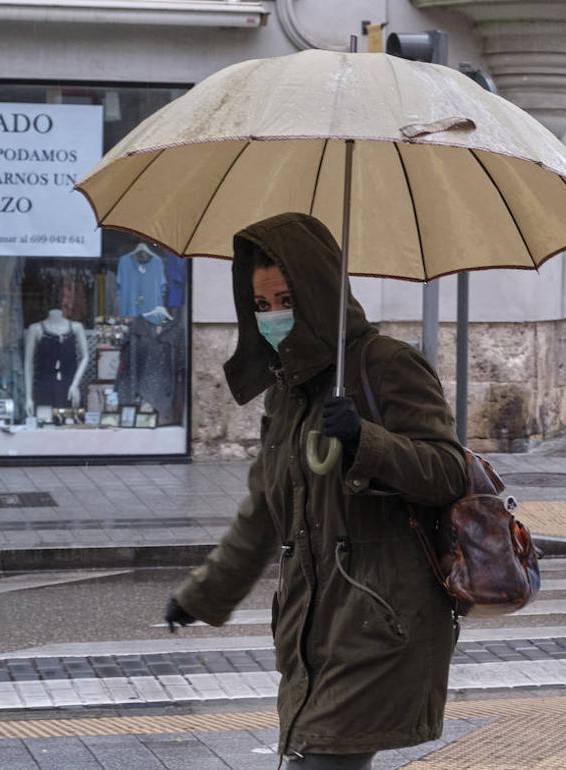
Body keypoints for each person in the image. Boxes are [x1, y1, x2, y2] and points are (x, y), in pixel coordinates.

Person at [164, 212, 467, 769]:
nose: (275, 315)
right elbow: (263, 511)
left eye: (286, 298)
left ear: (319, 289)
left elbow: (448, 471)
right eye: (261, 305)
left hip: (382, 622)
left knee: (320, 764)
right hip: (314, 623)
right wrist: (203, 596)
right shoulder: (288, 393)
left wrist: (363, 439)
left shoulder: (387, 365)